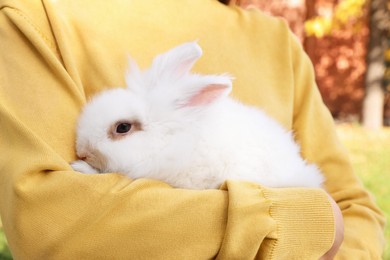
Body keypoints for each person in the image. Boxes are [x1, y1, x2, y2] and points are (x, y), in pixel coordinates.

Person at [0, 0, 385, 259]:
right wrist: (301, 224)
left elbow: (355, 211)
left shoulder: (277, 41)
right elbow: (46, 218)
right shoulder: (35, 17)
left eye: (121, 130)